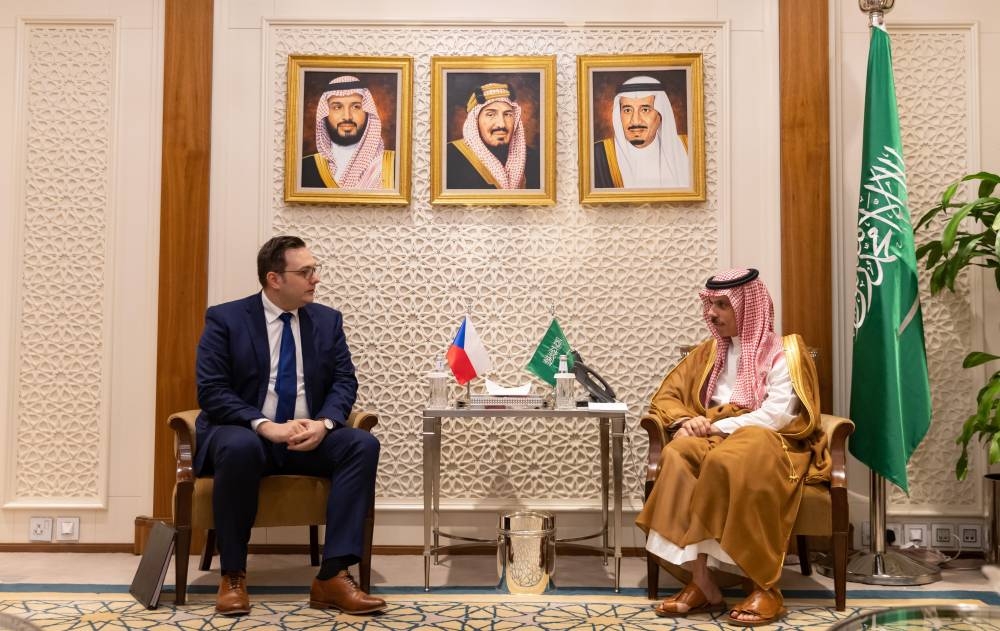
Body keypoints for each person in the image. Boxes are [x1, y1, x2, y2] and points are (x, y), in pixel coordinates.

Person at [195, 235, 384, 616]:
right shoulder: (226, 319)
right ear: (274, 279)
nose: (316, 279)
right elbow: (212, 390)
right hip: (247, 435)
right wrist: (264, 425)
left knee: (361, 444)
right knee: (239, 446)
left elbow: (344, 381)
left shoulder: (327, 321)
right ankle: (233, 575)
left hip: (306, 438)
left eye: (315, 270)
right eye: (306, 272)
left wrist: (324, 424)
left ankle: (332, 576)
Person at [635, 268, 829, 627]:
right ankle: (703, 583)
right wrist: (688, 421)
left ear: (748, 306)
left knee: (726, 460)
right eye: (710, 304)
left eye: (722, 305)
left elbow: (776, 415)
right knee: (677, 454)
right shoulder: (709, 353)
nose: (712, 314)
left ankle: (764, 586)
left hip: (767, 440)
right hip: (716, 435)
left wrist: (714, 425)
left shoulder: (785, 351)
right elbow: (668, 397)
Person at [593, 76, 691, 189]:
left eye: (645, 110)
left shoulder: (689, 148)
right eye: (627, 110)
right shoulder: (597, 156)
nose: (635, 121)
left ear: (660, 115)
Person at [301, 75, 395, 190]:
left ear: (367, 112)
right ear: (325, 113)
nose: (347, 116)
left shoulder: (394, 165)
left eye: (356, 107)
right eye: (337, 107)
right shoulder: (305, 168)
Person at [446, 82, 540, 189]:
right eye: (490, 114)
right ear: (475, 121)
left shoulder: (534, 159)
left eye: (507, 114)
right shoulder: (449, 157)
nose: (501, 124)